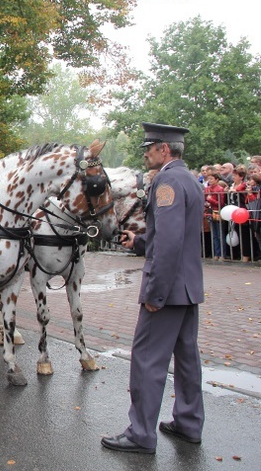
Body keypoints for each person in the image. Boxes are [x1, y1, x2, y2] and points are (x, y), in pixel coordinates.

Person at [103, 123, 205, 454]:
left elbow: (171, 242)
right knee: (187, 358)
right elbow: (171, 235)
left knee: (147, 359)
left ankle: (141, 434)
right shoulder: (188, 178)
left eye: (148, 147)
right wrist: (140, 241)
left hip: (168, 290)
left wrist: (155, 294)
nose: (145, 153)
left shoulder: (167, 180)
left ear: (164, 149)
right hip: (187, 289)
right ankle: (188, 423)